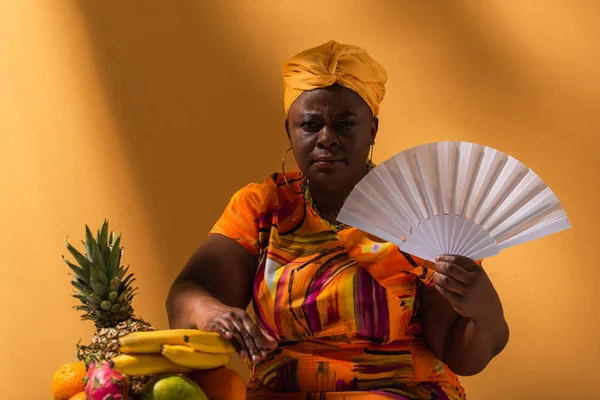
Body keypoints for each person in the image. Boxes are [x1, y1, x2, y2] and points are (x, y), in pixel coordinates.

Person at [166, 40, 509, 400]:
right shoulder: (263, 206)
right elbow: (188, 292)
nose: (326, 139)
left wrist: (483, 313)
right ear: (289, 130)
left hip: (401, 392)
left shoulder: (423, 214)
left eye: (345, 125)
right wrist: (210, 311)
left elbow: (460, 355)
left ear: (372, 130)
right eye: (310, 125)